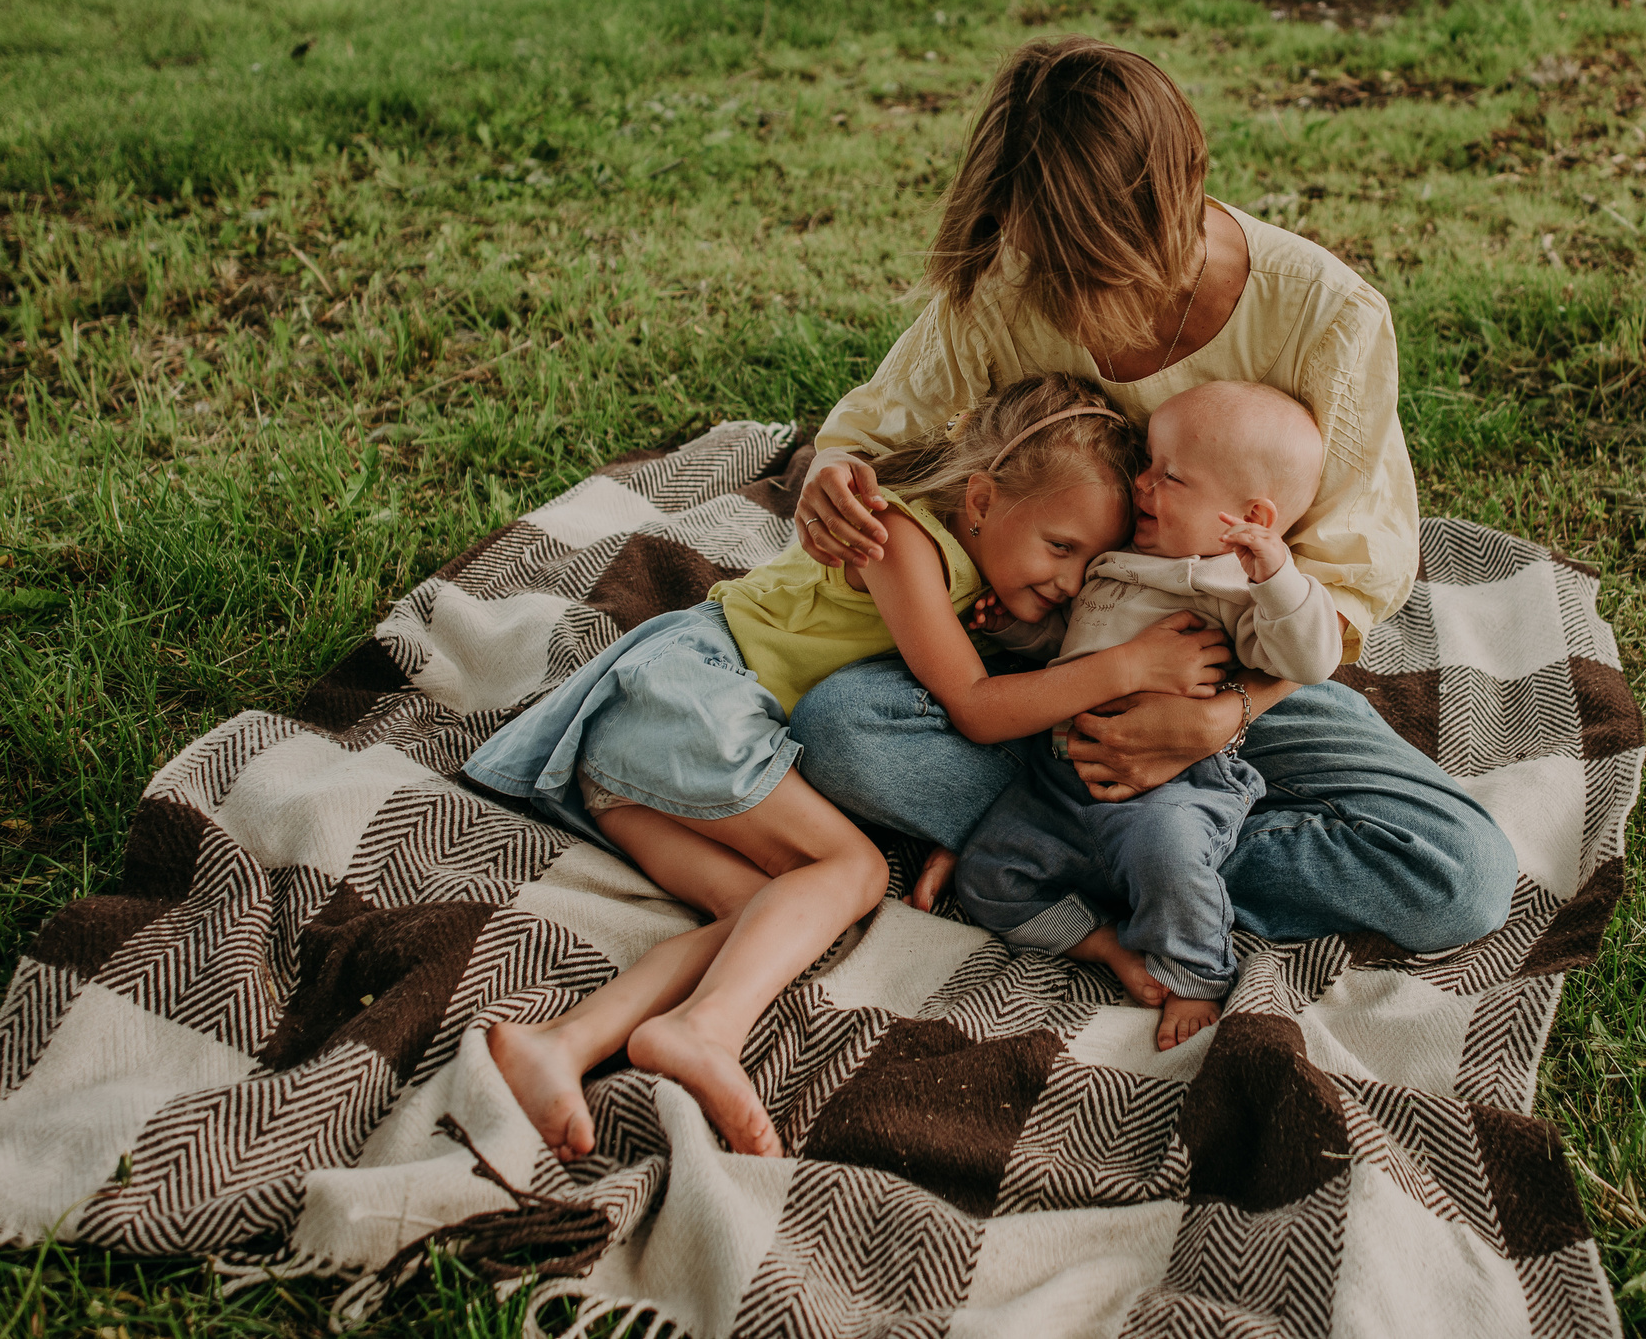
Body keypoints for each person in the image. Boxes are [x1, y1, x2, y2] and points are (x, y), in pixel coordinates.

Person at [785, 34, 1519, 959]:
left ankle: (1088, 855)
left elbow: (1344, 586)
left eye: (1081, 268)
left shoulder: (1325, 317)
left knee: (1460, 876)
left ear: (1177, 198)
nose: (1053, 292)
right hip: (1042, 665)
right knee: (838, 730)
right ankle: (1129, 852)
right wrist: (830, 474)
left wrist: (1217, 719)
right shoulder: (1017, 274)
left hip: (1230, 670)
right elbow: (875, 423)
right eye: (1037, 258)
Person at [467, 375, 1228, 1161]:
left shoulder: (970, 585)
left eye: (1089, 563)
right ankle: (706, 1031)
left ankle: (561, 1045)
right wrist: (1132, 664)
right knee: (853, 870)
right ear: (981, 498)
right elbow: (973, 705)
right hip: (688, 699)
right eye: (1060, 547)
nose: (1069, 581)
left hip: (648, 760)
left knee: (765, 915)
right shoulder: (898, 538)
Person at [954, 379, 1345, 1050]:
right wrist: (1017, 635)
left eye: (1170, 476)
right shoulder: (1112, 562)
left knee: (1169, 850)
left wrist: (1278, 574)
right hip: (1060, 778)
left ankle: (1195, 971)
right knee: (985, 875)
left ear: (1248, 515)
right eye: (1147, 467)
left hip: (1172, 787)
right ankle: (1103, 939)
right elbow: (1074, 645)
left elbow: (1311, 657)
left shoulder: (1234, 583)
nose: (1142, 484)